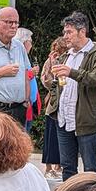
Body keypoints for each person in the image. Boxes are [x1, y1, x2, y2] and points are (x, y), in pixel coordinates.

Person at [45, 12, 96, 181]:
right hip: (64, 119)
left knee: (90, 168)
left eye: (69, 32)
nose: (64, 36)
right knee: (67, 167)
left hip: (86, 120)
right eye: (64, 32)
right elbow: (59, 85)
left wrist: (71, 72)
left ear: (82, 32)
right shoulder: (66, 55)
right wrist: (52, 84)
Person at [39, 36, 68, 179]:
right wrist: (50, 66)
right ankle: (49, 166)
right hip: (52, 103)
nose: (56, 53)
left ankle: (60, 165)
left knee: (62, 135)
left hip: (65, 102)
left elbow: (64, 84)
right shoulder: (48, 62)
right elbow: (46, 81)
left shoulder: (68, 61)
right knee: (50, 136)